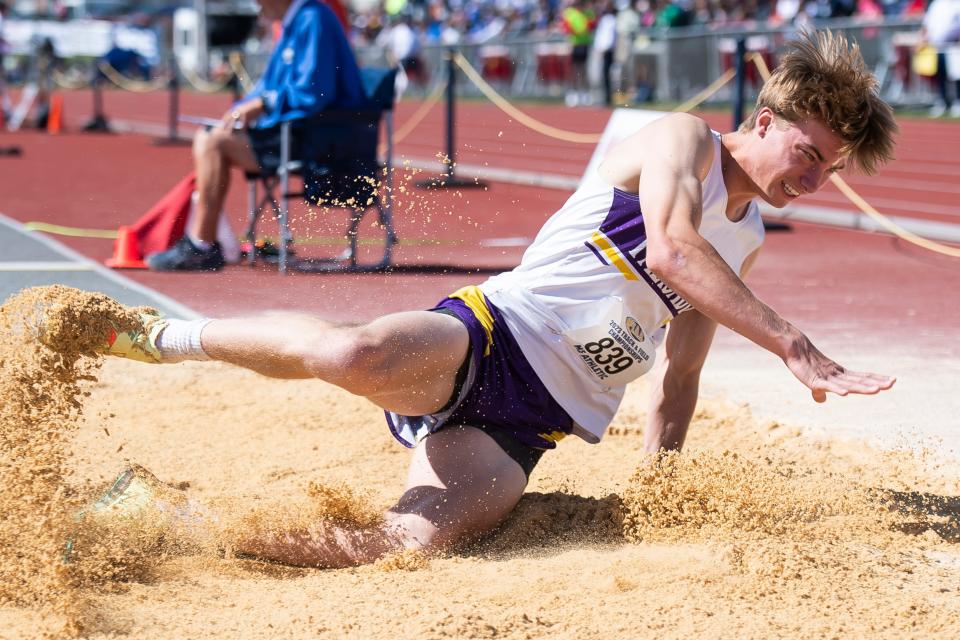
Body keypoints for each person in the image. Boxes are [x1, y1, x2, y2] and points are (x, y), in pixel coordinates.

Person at [77, 30, 897, 567]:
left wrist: (659, 494)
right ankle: (159, 337)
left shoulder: (746, 241)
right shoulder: (679, 139)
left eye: (829, 170)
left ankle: (169, 522)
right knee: (350, 354)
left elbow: (676, 379)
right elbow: (675, 251)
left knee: (400, 545)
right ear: (763, 120)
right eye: (809, 153)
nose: (814, 179)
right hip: (495, 334)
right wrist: (792, 342)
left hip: (529, 424)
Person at [145, 0, 366, 271]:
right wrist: (239, 112)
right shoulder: (293, 22)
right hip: (292, 135)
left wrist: (263, 105)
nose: (255, 5)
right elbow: (267, 88)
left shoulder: (313, 18)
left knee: (213, 141)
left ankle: (201, 244)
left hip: (319, 141)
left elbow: (314, 92)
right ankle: (201, 242)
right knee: (211, 134)